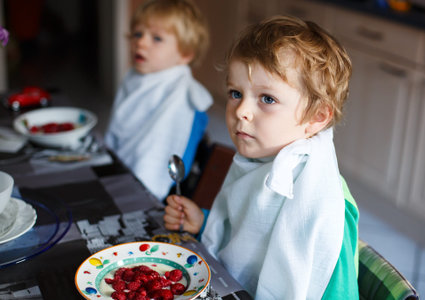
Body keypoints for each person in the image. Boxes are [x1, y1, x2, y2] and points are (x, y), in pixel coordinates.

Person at [164, 15, 359, 299]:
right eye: (235, 93)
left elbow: (327, 281)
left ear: (316, 117)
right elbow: (249, 232)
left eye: (267, 99)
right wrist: (203, 222)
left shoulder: (324, 206)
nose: (241, 110)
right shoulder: (258, 160)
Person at [105, 0, 212, 201]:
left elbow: (162, 147)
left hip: (154, 188)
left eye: (156, 38)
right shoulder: (134, 77)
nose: (141, 42)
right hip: (121, 169)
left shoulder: (181, 95)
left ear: (185, 54)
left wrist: (144, 180)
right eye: (137, 34)